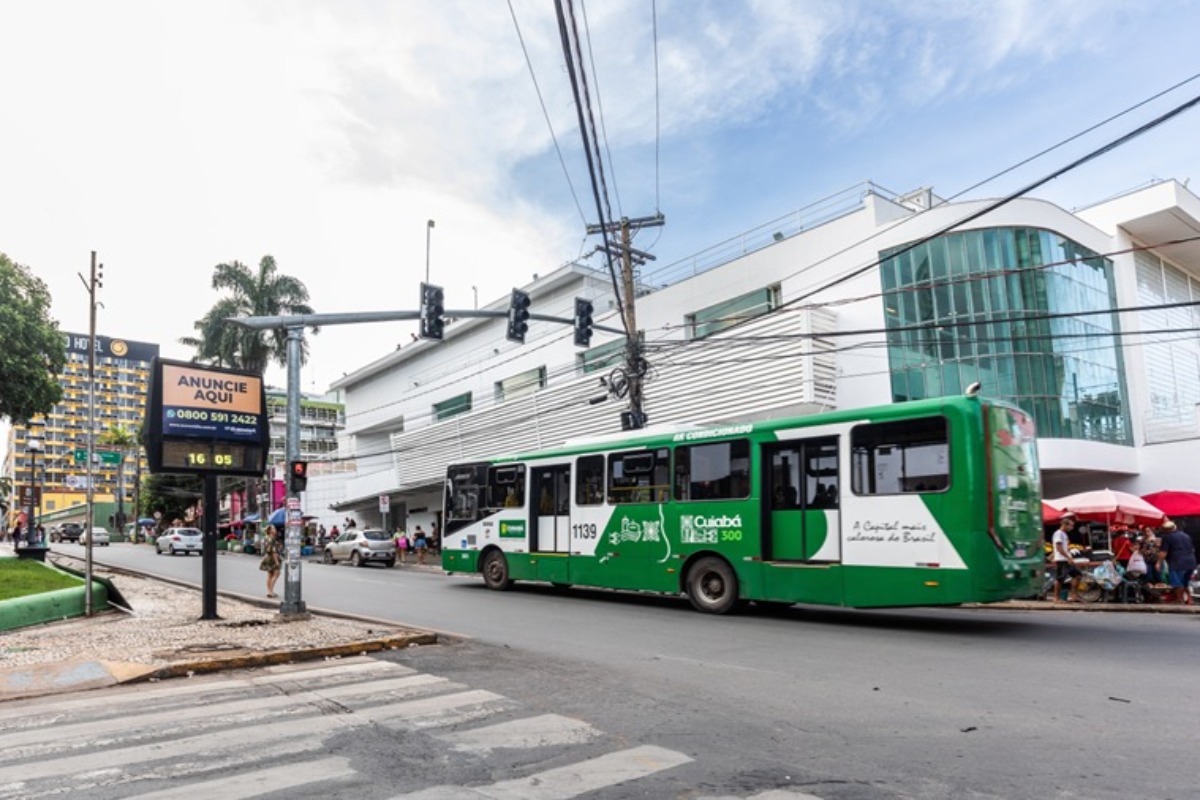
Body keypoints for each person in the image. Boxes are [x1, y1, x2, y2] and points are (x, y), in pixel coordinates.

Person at [1156, 520, 1197, 605]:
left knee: (1177, 582)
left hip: (1177, 561)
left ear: (1166, 530)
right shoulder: (1186, 536)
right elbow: (1192, 549)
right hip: (1191, 561)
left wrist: (1159, 563)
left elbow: (1163, 552)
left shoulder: (1167, 537)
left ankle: (1180, 599)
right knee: (1186, 582)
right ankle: (1190, 600)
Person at [1050, 513, 1082, 603]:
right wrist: (1068, 557)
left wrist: (1051, 556)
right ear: (1064, 525)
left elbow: (1060, 548)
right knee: (1060, 578)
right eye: (1071, 525)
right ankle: (1056, 598)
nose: (1072, 527)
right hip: (1062, 560)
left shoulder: (1064, 534)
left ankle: (1073, 595)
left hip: (1066, 559)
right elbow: (1059, 547)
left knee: (1078, 575)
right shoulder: (1058, 534)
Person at [259, 525, 283, 598]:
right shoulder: (271, 539)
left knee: (269, 575)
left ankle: (269, 591)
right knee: (276, 574)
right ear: (270, 531)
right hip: (272, 558)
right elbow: (273, 551)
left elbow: (266, 550)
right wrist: (276, 561)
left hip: (268, 557)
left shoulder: (266, 538)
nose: (275, 530)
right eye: (273, 529)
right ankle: (271, 591)